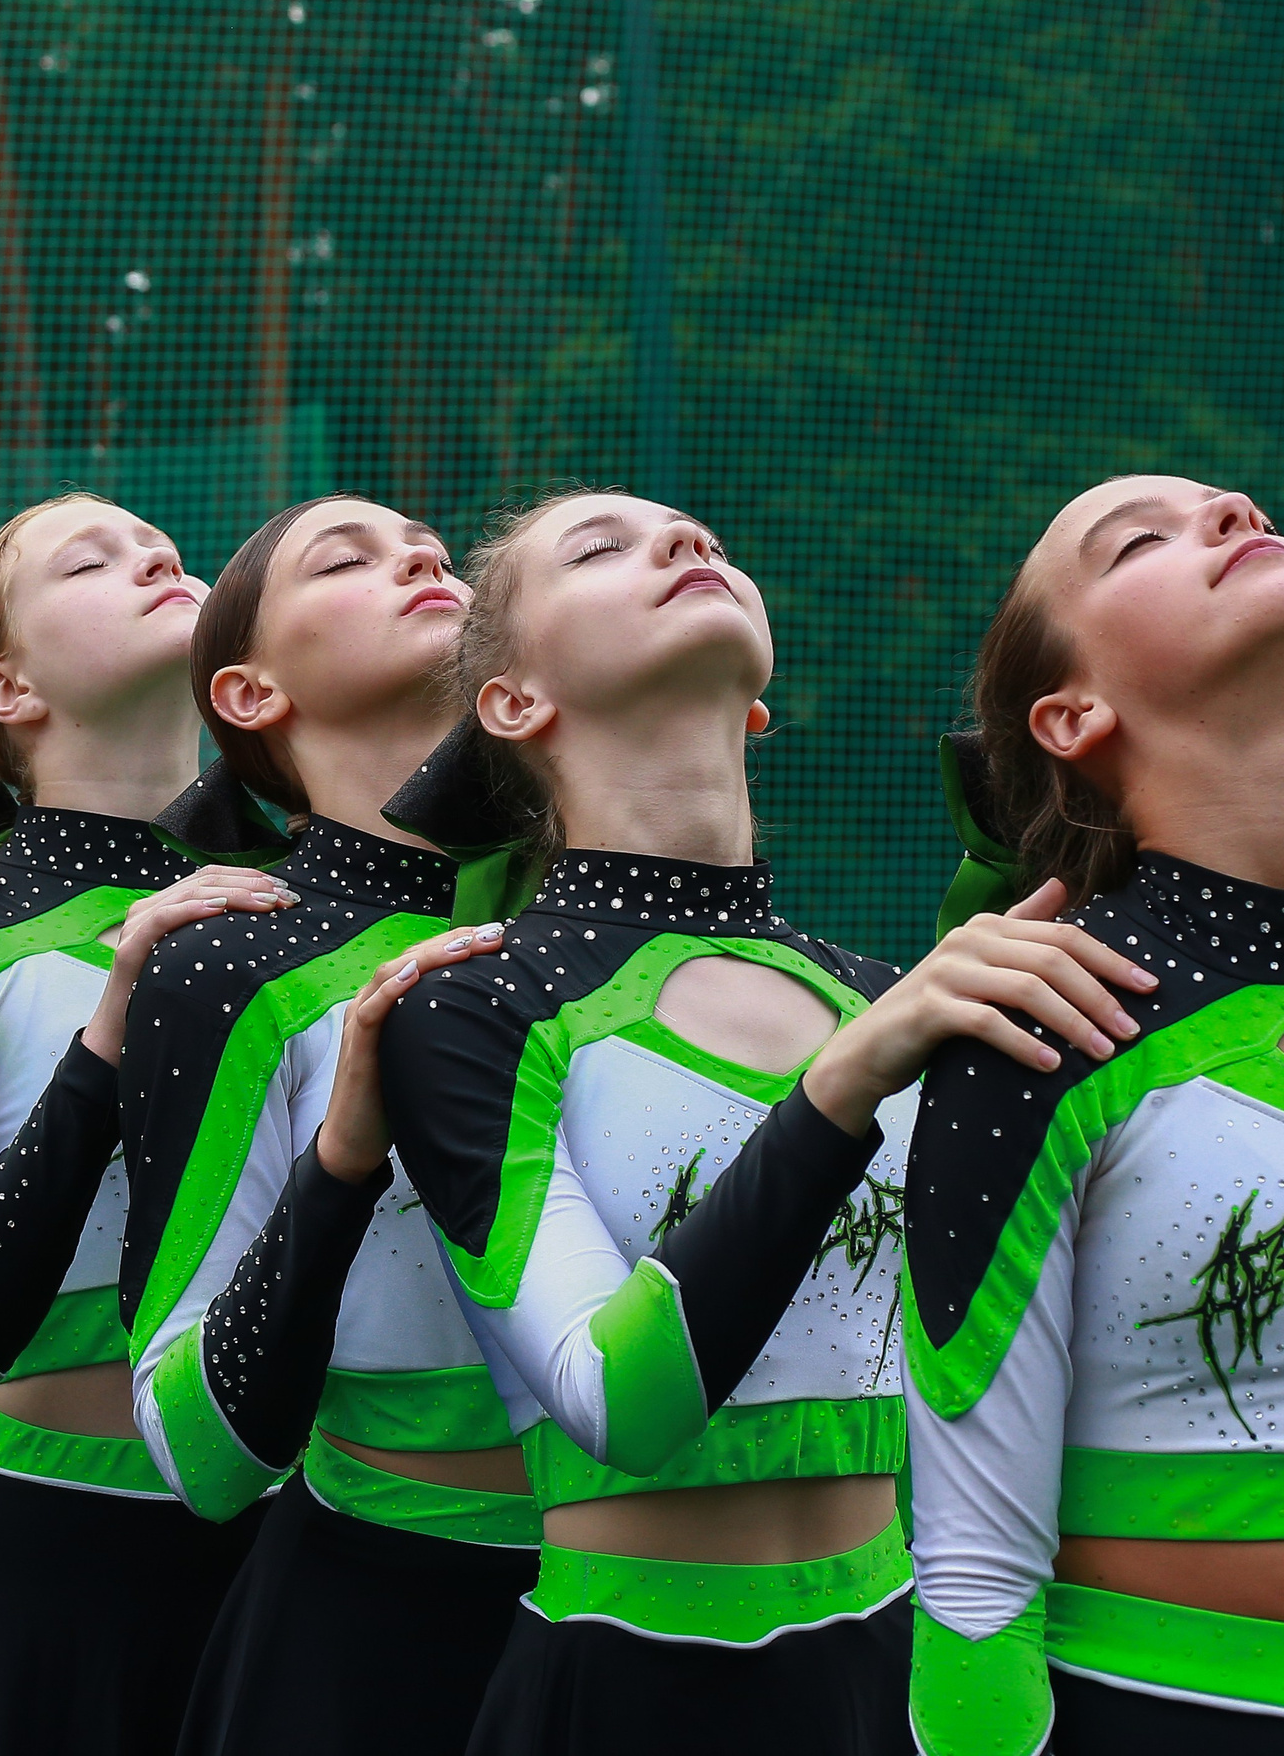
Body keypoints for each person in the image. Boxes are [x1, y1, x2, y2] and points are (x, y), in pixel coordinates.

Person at [358, 490, 1142, 1755]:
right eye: (602, 549)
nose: (687, 544)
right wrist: (844, 1082)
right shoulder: (468, 1002)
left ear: (758, 705)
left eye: (706, 539)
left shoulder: (891, 994)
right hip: (620, 1686)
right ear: (513, 704)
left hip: (910, 1679)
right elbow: (619, 1400)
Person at [906, 478, 1284, 1755]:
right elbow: (972, 1579)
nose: (1238, 509)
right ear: (1071, 714)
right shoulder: (1036, 1026)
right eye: (1140, 538)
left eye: (1233, 509)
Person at [0, 494, 290, 1756]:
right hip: (47, 1560)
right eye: (95, 559)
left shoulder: (312, 914)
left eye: (169, 550)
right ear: (6, 688)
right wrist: (112, 1026)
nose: (157, 557)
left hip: (307, 1553)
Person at [118, 496, 534, 1756]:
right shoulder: (221, 961)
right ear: (248, 694)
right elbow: (194, 1447)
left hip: (670, 1628)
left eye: (428, 548)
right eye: (346, 559)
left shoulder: (604, 930)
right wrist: (342, 1161)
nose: (419, 557)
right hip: (373, 1633)